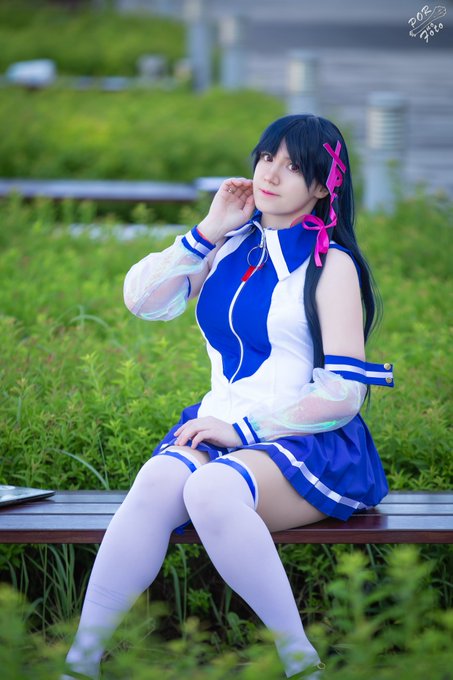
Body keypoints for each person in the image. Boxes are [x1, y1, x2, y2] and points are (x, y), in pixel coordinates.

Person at [63, 114, 393, 680]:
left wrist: (244, 431)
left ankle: (301, 665)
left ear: (322, 187)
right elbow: (143, 301)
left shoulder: (331, 265)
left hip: (311, 441)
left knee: (211, 488)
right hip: (221, 428)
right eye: (267, 158)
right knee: (157, 480)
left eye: (293, 167)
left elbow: (343, 394)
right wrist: (208, 229)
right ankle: (80, 663)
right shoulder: (229, 246)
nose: (271, 174)